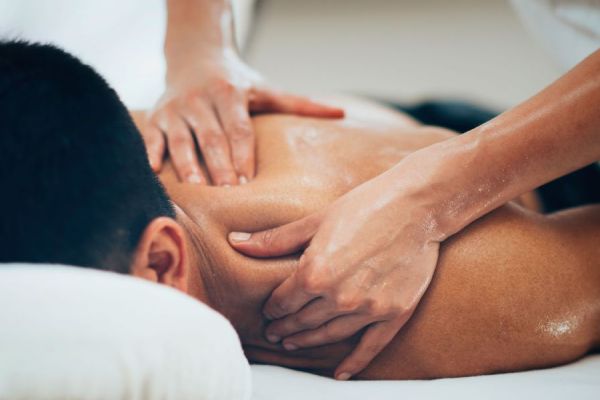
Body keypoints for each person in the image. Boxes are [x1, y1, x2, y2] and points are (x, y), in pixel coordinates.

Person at [1, 41, 599, 380]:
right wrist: (199, 46)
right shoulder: (66, 135)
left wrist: (432, 197)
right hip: (378, 121)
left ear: (161, 262)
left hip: (551, 178)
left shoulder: (406, 306)